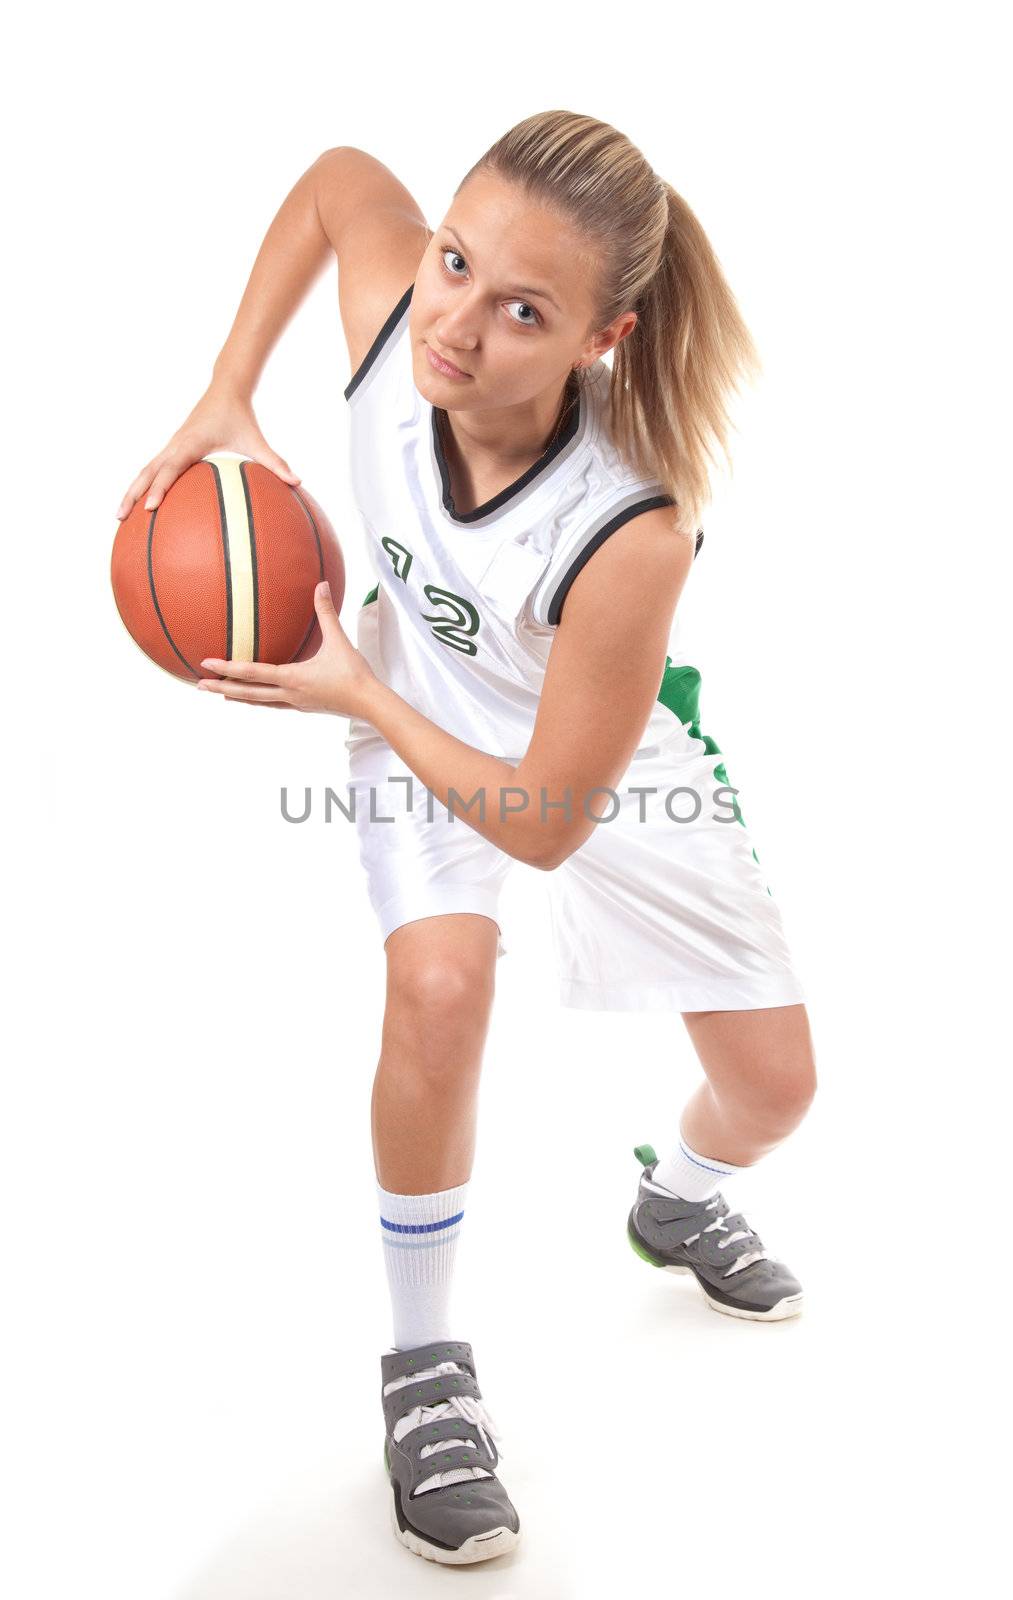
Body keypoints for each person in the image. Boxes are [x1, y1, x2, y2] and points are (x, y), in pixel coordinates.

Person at [115, 111, 818, 1567]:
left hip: (590, 769)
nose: (456, 321)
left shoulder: (630, 531)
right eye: (452, 261)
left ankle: (678, 1201)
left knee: (773, 1092)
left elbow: (550, 823)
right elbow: (333, 182)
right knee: (438, 988)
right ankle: (425, 1371)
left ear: (599, 338)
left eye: (521, 309)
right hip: (411, 712)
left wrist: (355, 684)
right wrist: (225, 395)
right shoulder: (397, 343)